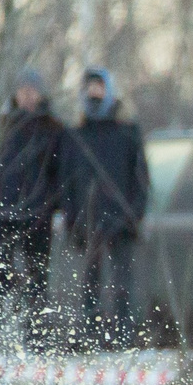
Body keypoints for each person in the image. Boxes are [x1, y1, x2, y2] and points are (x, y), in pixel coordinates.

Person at [59, 66, 149, 351]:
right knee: (90, 284)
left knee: (123, 284)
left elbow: (141, 179)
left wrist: (134, 214)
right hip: (87, 221)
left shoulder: (127, 132)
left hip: (121, 220)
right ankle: (90, 337)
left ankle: (123, 339)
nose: (94, 92)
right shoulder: (76, 135)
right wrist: (72, 218)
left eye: (99, 86)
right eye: (89, 87)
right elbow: (67, 180)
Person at [0, 68, 64, 345]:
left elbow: (61, 171)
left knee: (37, 276)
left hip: (38, 216)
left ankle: (35, 336)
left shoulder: (52, 129)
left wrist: (54, 206)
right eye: (22, 90)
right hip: (3, 214)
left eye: (32, 90)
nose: (27, 96)